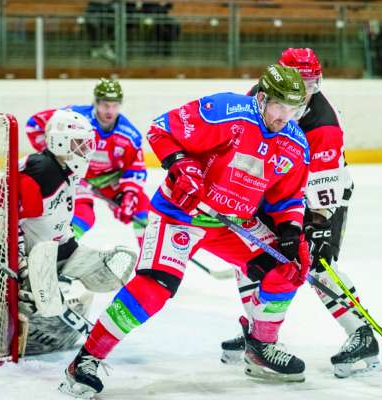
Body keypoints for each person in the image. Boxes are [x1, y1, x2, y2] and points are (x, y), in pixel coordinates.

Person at [58, 64, 313, 399]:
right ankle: (86, 360)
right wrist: (181, 164)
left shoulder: (295, 142)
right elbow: (161, 129)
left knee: (289, 265)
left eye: (295, 110)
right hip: (182, 213)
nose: (285, 117)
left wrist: (292, 231)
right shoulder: (228, 110)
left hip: (232, 222)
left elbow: (289, 196)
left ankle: (260, 347)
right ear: (262, 98)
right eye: (280, 107)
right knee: (155, 288)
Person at [220, 48, 382, 379]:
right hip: (274, 192)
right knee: (251, 257)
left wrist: (317, 223)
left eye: (312, 82)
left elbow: (325, 182)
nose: (306, 90)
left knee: (319, 265)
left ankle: (361, 333)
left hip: (320, 197)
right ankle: (257, 335)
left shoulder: (323, 124)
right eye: (300, 81)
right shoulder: (261, 96)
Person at [0, 110, 137, 357]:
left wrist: (75, 257)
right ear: (60, 142)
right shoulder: (42, 172)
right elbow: (8, 222)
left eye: (87, 143)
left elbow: (52, 228)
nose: (86, 151)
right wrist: (20, 265)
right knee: (37, 300)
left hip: (10, 253)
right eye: (79, 144)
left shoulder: (60, 172)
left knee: (49, 273)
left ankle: (31, 305)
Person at [25, 78, 150, 247]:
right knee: (84, 214)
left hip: (107, 179)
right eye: (105, 104)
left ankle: (148, 249)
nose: (110, 110)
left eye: (114, 105)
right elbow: (34, 125)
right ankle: (63, 246)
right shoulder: (76, 117)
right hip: (75, 174)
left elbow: (135, 168)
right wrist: (55, 156)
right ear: (96, 102)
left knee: (140, 203)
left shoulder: (129, 135)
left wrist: (129, 195)